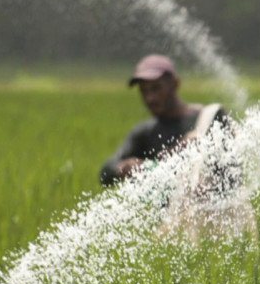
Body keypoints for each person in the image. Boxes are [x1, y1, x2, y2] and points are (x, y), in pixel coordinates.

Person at [99, 54, 233, 187]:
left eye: (156, 88)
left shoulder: (210, 117)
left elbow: (232, 171)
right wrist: (124, 168)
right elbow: (105, 173)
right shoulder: (146, 133)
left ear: (175, 84)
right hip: (175, 208)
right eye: (144, 91)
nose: (150, 98)